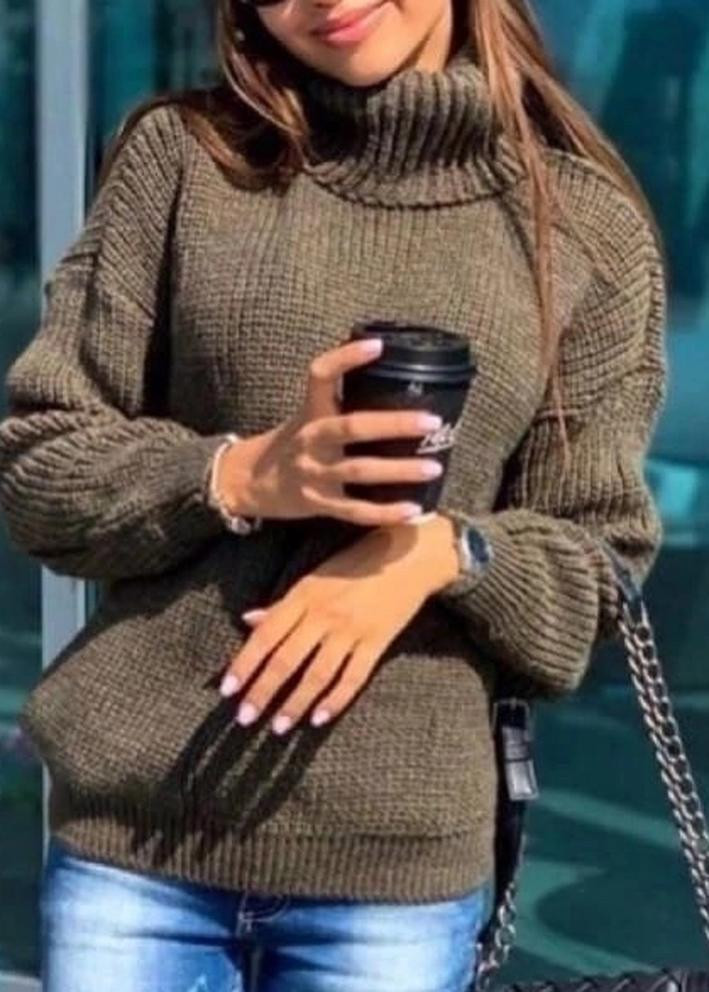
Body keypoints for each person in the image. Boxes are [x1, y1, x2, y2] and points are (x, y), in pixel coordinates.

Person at [0, 0, 668, 990]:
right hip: (135, 859)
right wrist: (242, 475)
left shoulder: (581, 229)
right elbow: (39, 466)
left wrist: (437, 555)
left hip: (391, 884)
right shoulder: (180, 161)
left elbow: (597, 571)